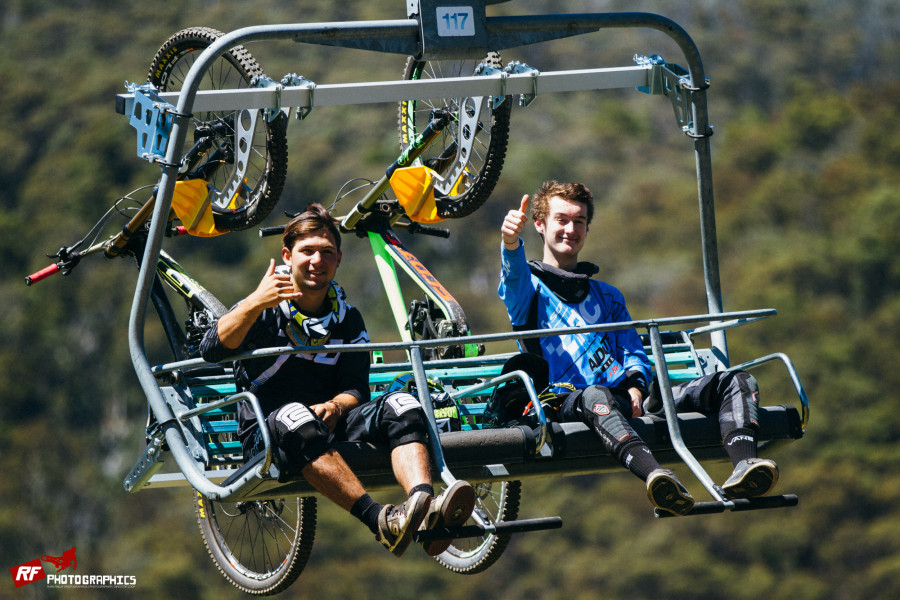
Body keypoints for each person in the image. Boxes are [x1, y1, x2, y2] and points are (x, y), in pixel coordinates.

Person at [200, 203, 475, 556]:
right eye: (308, 252)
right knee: (295, 415)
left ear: (339, 259)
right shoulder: (262, 310)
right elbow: (212, 349)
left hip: (330, 425)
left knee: (403, 405)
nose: (317, 261)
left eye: (327, 252)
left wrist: (335, 405)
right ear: (287, 255)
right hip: (268, 436)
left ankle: (423, 505)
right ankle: (379, 520)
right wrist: (255, 302)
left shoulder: (348, 319)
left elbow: (356, 387)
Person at [498, 180, 779, 515]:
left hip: (628, 399)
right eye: (561, 220)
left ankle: (745, 466)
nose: (570, 229)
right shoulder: (527, 292)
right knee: (595, 395)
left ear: (588, 228)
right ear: (540, 225)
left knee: (737, 381)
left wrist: (635, 386)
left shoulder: (609, 296)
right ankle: (655, 476)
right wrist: (510, 242)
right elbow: (512, 276)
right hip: (565, 401)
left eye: (579, 222)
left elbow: (632, 350)